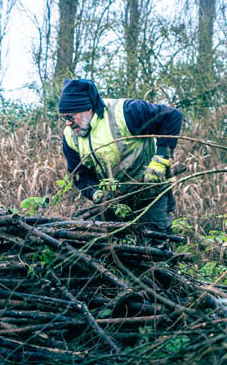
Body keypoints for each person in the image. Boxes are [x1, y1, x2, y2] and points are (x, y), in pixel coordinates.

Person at [58, 79, 183, 246]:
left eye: (70, 117)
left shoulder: (124, 113)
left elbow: (172, 116)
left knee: (156, 247)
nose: (67, 123)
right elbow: (80, 174)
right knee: (98, 245)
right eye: (63, 118)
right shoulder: (70, 136)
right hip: (114, 199)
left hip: (150, 190)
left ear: (88, 109)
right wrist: (95, 193)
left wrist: (161, 160)